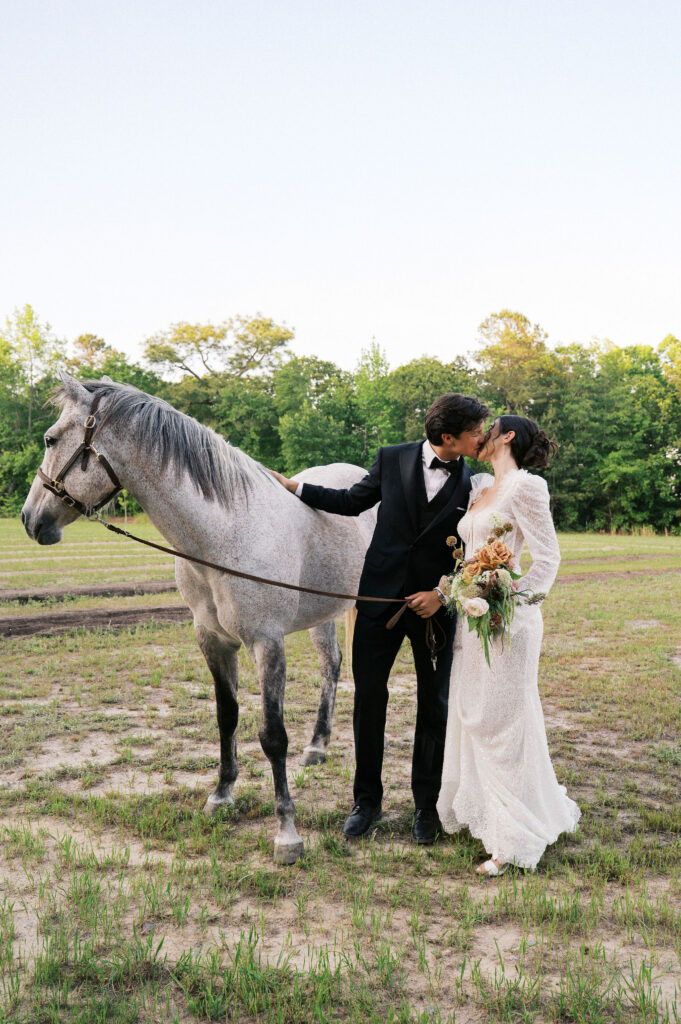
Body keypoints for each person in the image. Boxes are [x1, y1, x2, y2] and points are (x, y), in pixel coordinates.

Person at [270, 393, 489, 843]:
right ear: (448, 436)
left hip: (436, 611)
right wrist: (297, 488)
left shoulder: (478, 483)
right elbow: (352, 501)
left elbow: (477, 552)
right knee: (369, 701)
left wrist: (441, 594)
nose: (481, 436)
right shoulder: (391, 459)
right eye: (475, 430)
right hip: (376, 603)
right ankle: (365, 801)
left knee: (435, 706)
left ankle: (426, 806)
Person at [435, 416, 581, 875]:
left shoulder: (527, 486)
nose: (479, 436)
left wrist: (508, 598)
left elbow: (548, 556)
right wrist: (465, 591)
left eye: (488, 428)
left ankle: (511, 839)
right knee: (474, 712)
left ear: (508, 436)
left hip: (508, 622)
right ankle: (489, 812)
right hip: (472, 619)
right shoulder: (480, 488)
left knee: (505, 719)